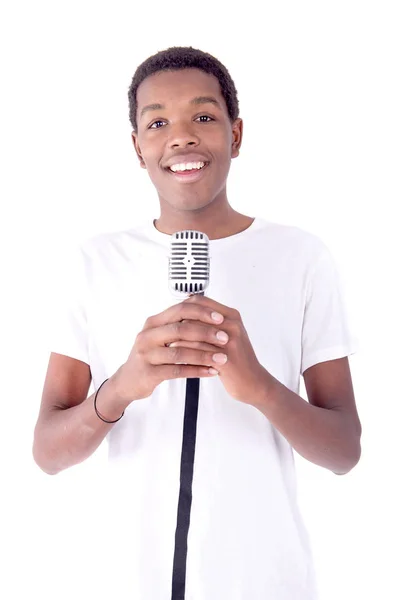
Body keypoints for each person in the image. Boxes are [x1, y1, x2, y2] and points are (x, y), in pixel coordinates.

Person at [33, 46, 362, 600]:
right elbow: (47, 452)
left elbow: (344, 451)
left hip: (264, 584)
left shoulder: (300, 258)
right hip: (128, 583)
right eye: (157, 121)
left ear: (236, 135)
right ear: (138, 148)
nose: (181, 136)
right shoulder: (95, 263)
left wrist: (259, 387)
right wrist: (120, 388)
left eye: (203, 117)